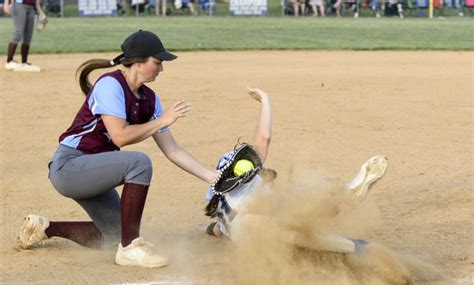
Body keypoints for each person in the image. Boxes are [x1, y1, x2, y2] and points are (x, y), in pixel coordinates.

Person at [18, 30, 219, 268]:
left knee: (115, 236)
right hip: (70, 167)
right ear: (138, 61)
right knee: (139, 163)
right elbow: (120, 136)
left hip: (94, 170)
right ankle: (131, 248)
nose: (161, 68)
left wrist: (212, 177)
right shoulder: (110, 85)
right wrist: (162, 121)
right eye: (157, 62)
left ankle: (46, 228)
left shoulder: (150, 100)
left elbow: (172, 150)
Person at [204, 87, 388, 250]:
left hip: (252, 241)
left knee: (294, 238)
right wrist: (265, 100)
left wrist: (209, 230)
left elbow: (218, 230)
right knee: (304, 198)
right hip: (264, 223)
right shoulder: (254, 182)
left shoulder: (218, 202)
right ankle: (343, 196)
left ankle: (343, 247)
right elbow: (263, 138)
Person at [3, 0, 46, 72]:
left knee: (28, 36)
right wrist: (6, 3)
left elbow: (36, 2)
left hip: (31, 8)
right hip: (19, 5)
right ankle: (9, 61)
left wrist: (41, 12)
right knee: (18, 33)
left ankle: (24, 62)